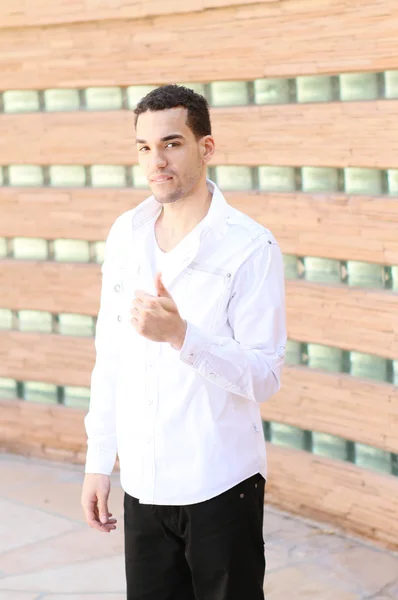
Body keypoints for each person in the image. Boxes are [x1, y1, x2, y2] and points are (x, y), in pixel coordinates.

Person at [81, 84, 287, 600]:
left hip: (220, 484)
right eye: (145, 148)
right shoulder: (126, 234)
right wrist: (98, 461)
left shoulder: (250, 246)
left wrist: (182, 337)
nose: (157, 162)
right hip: (144, 487)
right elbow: (111, 356)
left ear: (206, 148)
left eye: (172, 143)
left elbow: (265, 375)